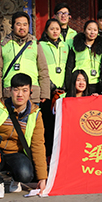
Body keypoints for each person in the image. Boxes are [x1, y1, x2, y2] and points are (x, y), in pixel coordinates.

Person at [0, 73, 48, 199]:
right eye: (16, 90)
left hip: (16, 154)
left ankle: (15, 180)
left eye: (24, 90)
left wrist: (42, 178)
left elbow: (38, 145)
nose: (20, 94)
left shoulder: (35, 114)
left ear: (30, 92)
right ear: (10, 91)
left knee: (26, 175)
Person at [0, 11, 50, 105]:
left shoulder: (35, 44)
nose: (22, 27)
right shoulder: (2, 45)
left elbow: (43, 70)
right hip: (10, 94)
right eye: (18, 24)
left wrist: (45, 93)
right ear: (12, 26)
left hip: (32, 94)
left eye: (25, 24)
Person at [38, 18, 69, 158]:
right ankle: (48, 155)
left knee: (62, 125)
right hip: (48, 92)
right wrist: (50, 86)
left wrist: (64, 86)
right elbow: (40, 68)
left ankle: (62, 155)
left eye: (57, 29)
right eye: (52, 29)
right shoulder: (40, 45)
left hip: (63, 92)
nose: (55, 31)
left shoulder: (65, 46)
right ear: (46, 31)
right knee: (48, 125)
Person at [65, 20, 102, 94]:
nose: (92, 32)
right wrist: (68, 85)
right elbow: (69, 67)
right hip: (80, 84)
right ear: (84, 31)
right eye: (89, 29)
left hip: (95, 84)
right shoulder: (75, 48)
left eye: (95, 30)